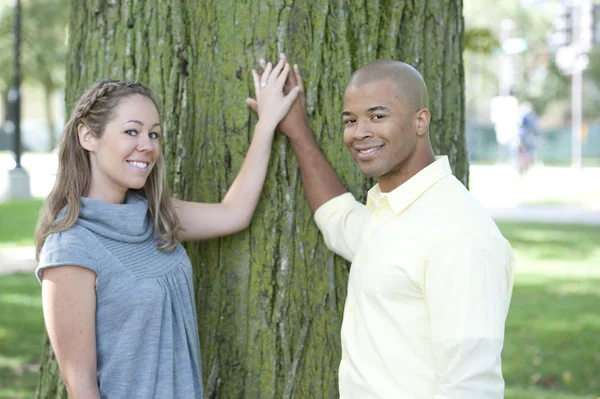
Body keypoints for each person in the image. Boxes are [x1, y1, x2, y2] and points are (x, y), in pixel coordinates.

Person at [34, 55, 300, 398]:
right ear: (88, 136)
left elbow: (234, 213)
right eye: (132, 131)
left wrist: (267, 124)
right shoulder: (71, 246)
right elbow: (80, 386)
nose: (147, 145)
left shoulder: (154, 217)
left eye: (154, 134)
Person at [248, 59, 516, 398]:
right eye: (350, 120)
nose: (359, 132)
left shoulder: (459, 233)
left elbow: (470, 385)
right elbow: (338, 219)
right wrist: (298, 132)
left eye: (377, 116)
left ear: (420, 121)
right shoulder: (390, 211)